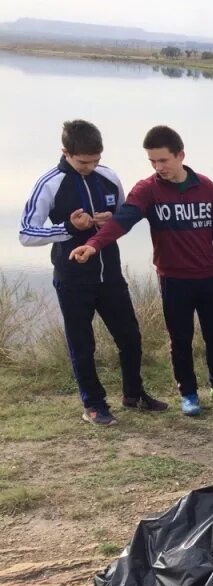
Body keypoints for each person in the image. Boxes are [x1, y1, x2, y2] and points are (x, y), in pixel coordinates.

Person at [69, 125, 213, 417]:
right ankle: (189, 394)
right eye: (152, 162)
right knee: (180, 340)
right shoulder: (148, 190)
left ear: (180, 155)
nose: (159, 167)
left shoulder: (205, 186)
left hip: (208, 278)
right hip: (174, 280)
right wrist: (94, 244)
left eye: (163, 160)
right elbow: (123, 219)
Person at [18, 120, 166, 426]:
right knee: (82, 344)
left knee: (130, 338)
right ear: (66, 153)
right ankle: (94, 404)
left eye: (96, 160)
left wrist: (111, 220)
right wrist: (70, 227)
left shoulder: (108, 177)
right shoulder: (50, 183)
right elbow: (26, 233)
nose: (90, 167)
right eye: (84, 162)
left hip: (110, 275)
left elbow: (124, 217)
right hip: (72, 278)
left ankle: (133, 394)